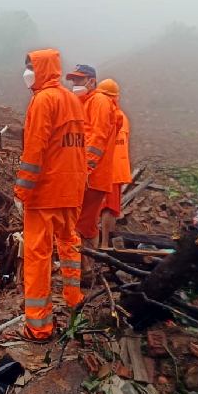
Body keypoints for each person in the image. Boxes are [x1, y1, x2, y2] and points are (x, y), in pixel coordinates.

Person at [12, 49, 86, 342]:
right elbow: (77, 146)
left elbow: (35, 150)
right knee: (69, 245)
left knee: (38, 256)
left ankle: (39, 327)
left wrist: (22, 190)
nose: (27, 72)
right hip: (71, 190)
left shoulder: (43, 100)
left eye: (31, 67)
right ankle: (73, 300)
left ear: (41, 69)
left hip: (45, 194)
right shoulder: (72, 99)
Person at [65, 64, 121, 272]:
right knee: (85, 223)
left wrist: (85, 169)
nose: (75, 84)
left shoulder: (99, 102)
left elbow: (96, 138)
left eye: (79, 80)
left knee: (81, 224)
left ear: (91, 81)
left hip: (91, 176)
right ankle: (85, 269)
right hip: (91, 176)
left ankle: (83, 271)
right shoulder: (88, 102)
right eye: (72, 80)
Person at [97, 79, 131, 249]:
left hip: (107, 168)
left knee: (106, 208)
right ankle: (105, 243)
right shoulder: (122, 116)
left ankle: (103, 245)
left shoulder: (108, 114)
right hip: (116, 168)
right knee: (109, 208)